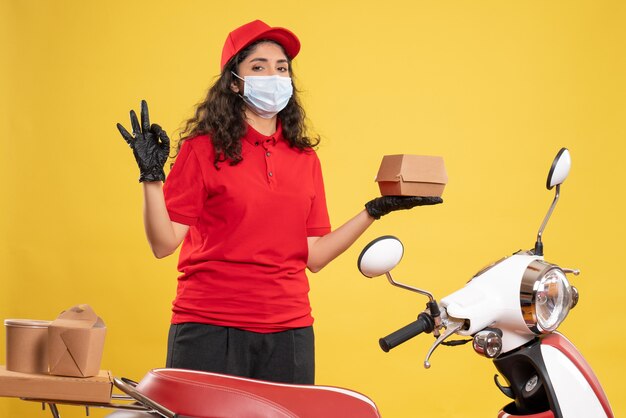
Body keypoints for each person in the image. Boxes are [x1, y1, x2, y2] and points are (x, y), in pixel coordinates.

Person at [116, 19, 442, 385]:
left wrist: (374, 210)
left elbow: (314, 256)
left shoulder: (304, 159)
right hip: (209, 327)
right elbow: (163, 244)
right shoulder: (203, 150)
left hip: (289, 331)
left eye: (282, 68)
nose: (274, 76)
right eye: (259, 67)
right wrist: (151, 177)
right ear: (235, 82)